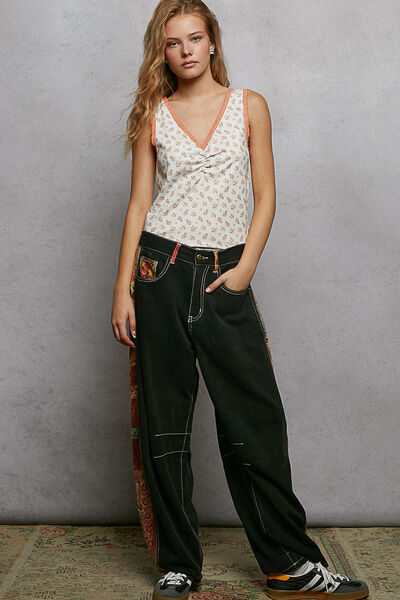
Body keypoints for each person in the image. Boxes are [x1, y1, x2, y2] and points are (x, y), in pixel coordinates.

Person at [111, 1, 369, 599]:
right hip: (159, 270)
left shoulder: (249, 106)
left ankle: (289, 565)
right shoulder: (153, 113)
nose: (186, 51)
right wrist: (122, 289)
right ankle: (178, 564)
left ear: (212, 42)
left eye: (195, 38)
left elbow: (266, 195)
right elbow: (139, 203)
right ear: (162, 52)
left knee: (256, 420)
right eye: (173, 42)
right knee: (165, 425)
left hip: (224, 273)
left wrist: (244, 268)